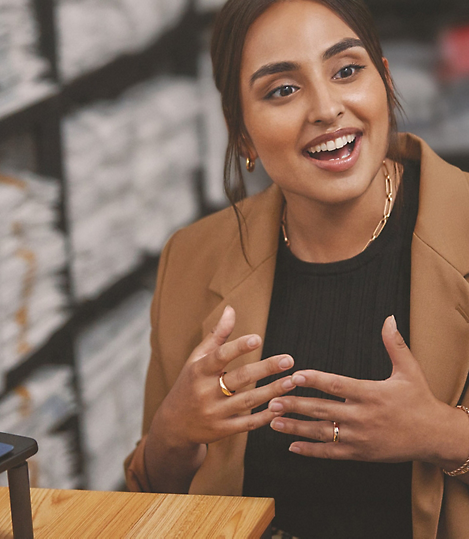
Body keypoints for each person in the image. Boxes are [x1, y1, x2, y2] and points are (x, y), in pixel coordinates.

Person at [124, 0, 469, 537]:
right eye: (282, 90)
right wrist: (171, 434)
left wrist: (444, 435)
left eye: (347, 71)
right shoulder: (192, 259)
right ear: (242, 134)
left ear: (385, 79)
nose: (327, 108)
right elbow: (150, 500)